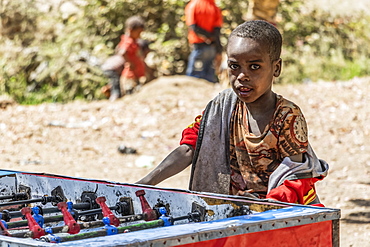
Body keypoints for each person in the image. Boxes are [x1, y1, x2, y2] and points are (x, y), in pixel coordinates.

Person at [136, 20, 329, 206]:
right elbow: (189, 148)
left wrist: (266, 205)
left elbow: (297, 175)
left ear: (276, 68)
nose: (242, 76)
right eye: (235, 66)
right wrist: (145, 183)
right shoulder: (222, 107)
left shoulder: (287, 116)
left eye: (254, 66)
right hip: (237, 208)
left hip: (281, 212)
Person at [185, 0, 223, 83]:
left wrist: (206, 37)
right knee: (209, 76)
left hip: (198, 44)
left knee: (193, 76)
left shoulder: (193, 5)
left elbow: (193, 26)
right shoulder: (214, 6)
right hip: (211, 45)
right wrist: (216, 44)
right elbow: (217, 28)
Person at [116, 16, 146, 96]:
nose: (140, 35)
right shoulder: (128, 41)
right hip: (130, 77)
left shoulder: (134, 42)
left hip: (135, 76)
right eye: (138, 32)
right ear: (131, 30)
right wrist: (130, 63)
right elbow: (122, 52)